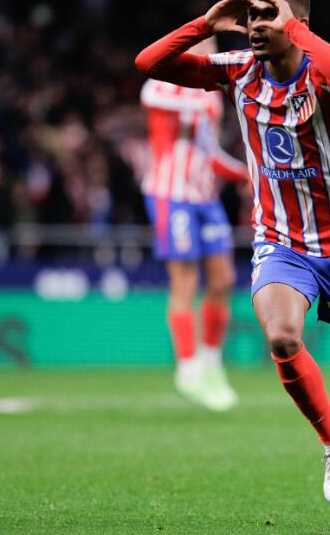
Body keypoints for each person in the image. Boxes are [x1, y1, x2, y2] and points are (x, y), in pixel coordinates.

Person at [136, 0, 330, 526]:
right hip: (281, 241)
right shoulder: (238, 69)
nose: (255, 23)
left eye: (266, 14)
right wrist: (206, 26)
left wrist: (294, 25)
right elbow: (149, 64)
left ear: (296, 22)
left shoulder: (328, 65)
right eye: (251, 15)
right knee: (283, 338)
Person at [140, 37, 249, 412]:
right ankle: (187, 369)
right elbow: (151, 97)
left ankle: (211, 363)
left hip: (205, 197)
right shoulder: (161, 82)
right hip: (171, 195)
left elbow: (210, 151)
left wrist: (245, 173)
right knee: (184, 279)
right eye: (203, 45)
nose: (210, 53)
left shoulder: (212, 93)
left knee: (223, 280)